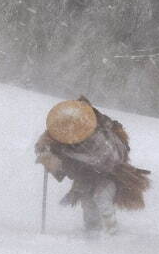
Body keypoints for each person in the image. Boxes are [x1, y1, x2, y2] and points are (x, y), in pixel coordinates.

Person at [34, 97, 151, 235]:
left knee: (102, 198)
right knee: (88, 203)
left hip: (109, 175)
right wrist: (45, 150)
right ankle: (91, 234)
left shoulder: (101, 137)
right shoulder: (61, 130)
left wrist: (71, 157)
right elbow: (44, 144)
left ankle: (112, 232)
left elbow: (108, 160)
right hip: (85, 177)